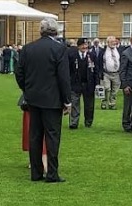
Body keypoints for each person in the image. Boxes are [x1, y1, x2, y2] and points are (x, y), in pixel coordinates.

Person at [15, 17, 72, 183]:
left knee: (35, 136)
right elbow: (63, 78)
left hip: (33, 98)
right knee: (52, 137)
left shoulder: (28, 48)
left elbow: (19, 73)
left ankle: (36, 172)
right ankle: (52, 173)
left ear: (41, 30)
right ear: (56, 31)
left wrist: (27, 89)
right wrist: (67, 100)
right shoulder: (59, 49)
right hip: (53, 100)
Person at [68, 38, 96, 129]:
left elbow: (97, 69)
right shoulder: (72, 56)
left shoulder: (92, 55)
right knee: (75, 104)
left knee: (89, 105)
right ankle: (74, 122)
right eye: (83, 45)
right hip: (75, 83)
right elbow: (68, 70)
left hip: (88, 84)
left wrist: (97, 82)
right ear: (78, 46)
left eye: (86, 45)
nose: (85, 47)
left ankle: (88, 122)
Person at [101, 35, 123, 109]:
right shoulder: (103, 51)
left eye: (114, 41)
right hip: (106, 73)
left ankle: (112, 103)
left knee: (115, 90)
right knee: (106, 88)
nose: (114, 43)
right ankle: (104, 102)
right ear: (108, 42)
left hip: (116, 73)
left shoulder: (119, 50)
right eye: (112, 41)